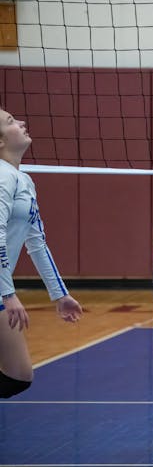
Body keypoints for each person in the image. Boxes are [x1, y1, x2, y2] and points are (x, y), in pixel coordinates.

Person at [0, 107, 82, 400]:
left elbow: (37, 242)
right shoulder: (1, 178)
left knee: (19, 375)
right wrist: (8, 294)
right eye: (10, 121)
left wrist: (59, 295)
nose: (21, 122)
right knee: (17, 375)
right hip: (2, 291)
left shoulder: (24, 180)